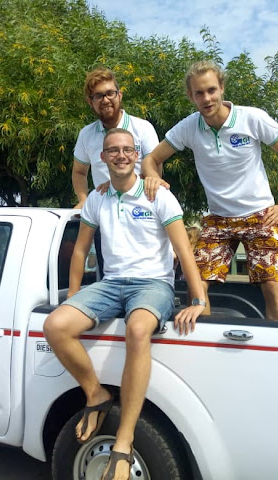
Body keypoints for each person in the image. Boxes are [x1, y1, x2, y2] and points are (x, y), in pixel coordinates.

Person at [44, 128, 206, 480]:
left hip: (153, 284)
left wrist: (198, 299)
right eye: (113, 150)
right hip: (110, 284)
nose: (120, 155)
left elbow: (183, 249)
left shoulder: (158, 194)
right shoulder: (97, 198)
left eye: (127, 150)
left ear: (136, 155)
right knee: (55, 326)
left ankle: (124, 439)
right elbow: (81, 250)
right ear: (102, 158)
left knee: (137, 329)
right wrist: (73, 295)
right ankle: (96, 394)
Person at [142, 60, 278, 321]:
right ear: (191, 96)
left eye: (211, 90)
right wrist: (152, 178)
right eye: (199, 93)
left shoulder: (252, 118)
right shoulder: (189, 127)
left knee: (271, 285)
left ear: (222, 88)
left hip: (260, 215)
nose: (207, 98)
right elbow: (151, 159)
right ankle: (201, 338)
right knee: (197, 285)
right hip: (218, 219)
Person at [72, 67, 162, 209]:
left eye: (110, 93)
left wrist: (116, 186)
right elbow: (79, 172)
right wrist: (84, 200)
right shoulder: (86, 134)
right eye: (99, 96)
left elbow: (154, 171)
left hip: (140, 209)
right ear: (90, 102)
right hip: (102, 211)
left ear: (120, 95)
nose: (105, 100)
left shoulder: (143, 128)